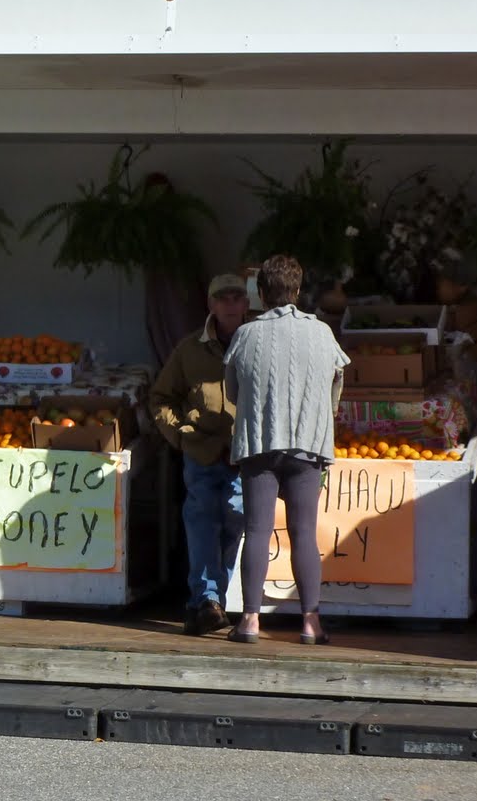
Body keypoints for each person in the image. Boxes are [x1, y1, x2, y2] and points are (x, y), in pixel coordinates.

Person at [224, 254, 349, 646]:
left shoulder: (245, 335)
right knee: (304, 533)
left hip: (258, 443)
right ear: (297, 291)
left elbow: (232, 392)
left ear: (261, 293)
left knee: (257, 530)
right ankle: (311, 623)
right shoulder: (322, 333)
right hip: (307, 445)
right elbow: (336, 385)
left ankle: (249, 621)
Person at [149, 273, 250, 637]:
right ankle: (207, 599)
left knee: (235, 523)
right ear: (211, 304)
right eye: (223, 298)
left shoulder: (256, 344)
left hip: (243, 454)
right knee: (202, 523)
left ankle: (208, 602)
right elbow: (161, 398)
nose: (230, 304)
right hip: (201, 452)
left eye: (236, 297)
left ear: (246, 304)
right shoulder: (189, 348)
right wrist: (179, 436)